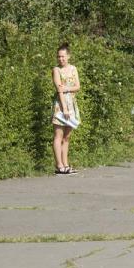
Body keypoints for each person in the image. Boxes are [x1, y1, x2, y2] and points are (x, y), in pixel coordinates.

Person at [51, 43, 81, 175]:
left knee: (67, 137)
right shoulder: (56, 70)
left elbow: (77, 86)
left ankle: (66, 164)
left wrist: (67, 88)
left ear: (68, 56)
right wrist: (64, 109)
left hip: (72, 104)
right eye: (59, 56)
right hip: (61, 105)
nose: (61, 59)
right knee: (58, 135)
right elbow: (59, 90)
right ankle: (59, 166)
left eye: (63, 56)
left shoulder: (73, 69)